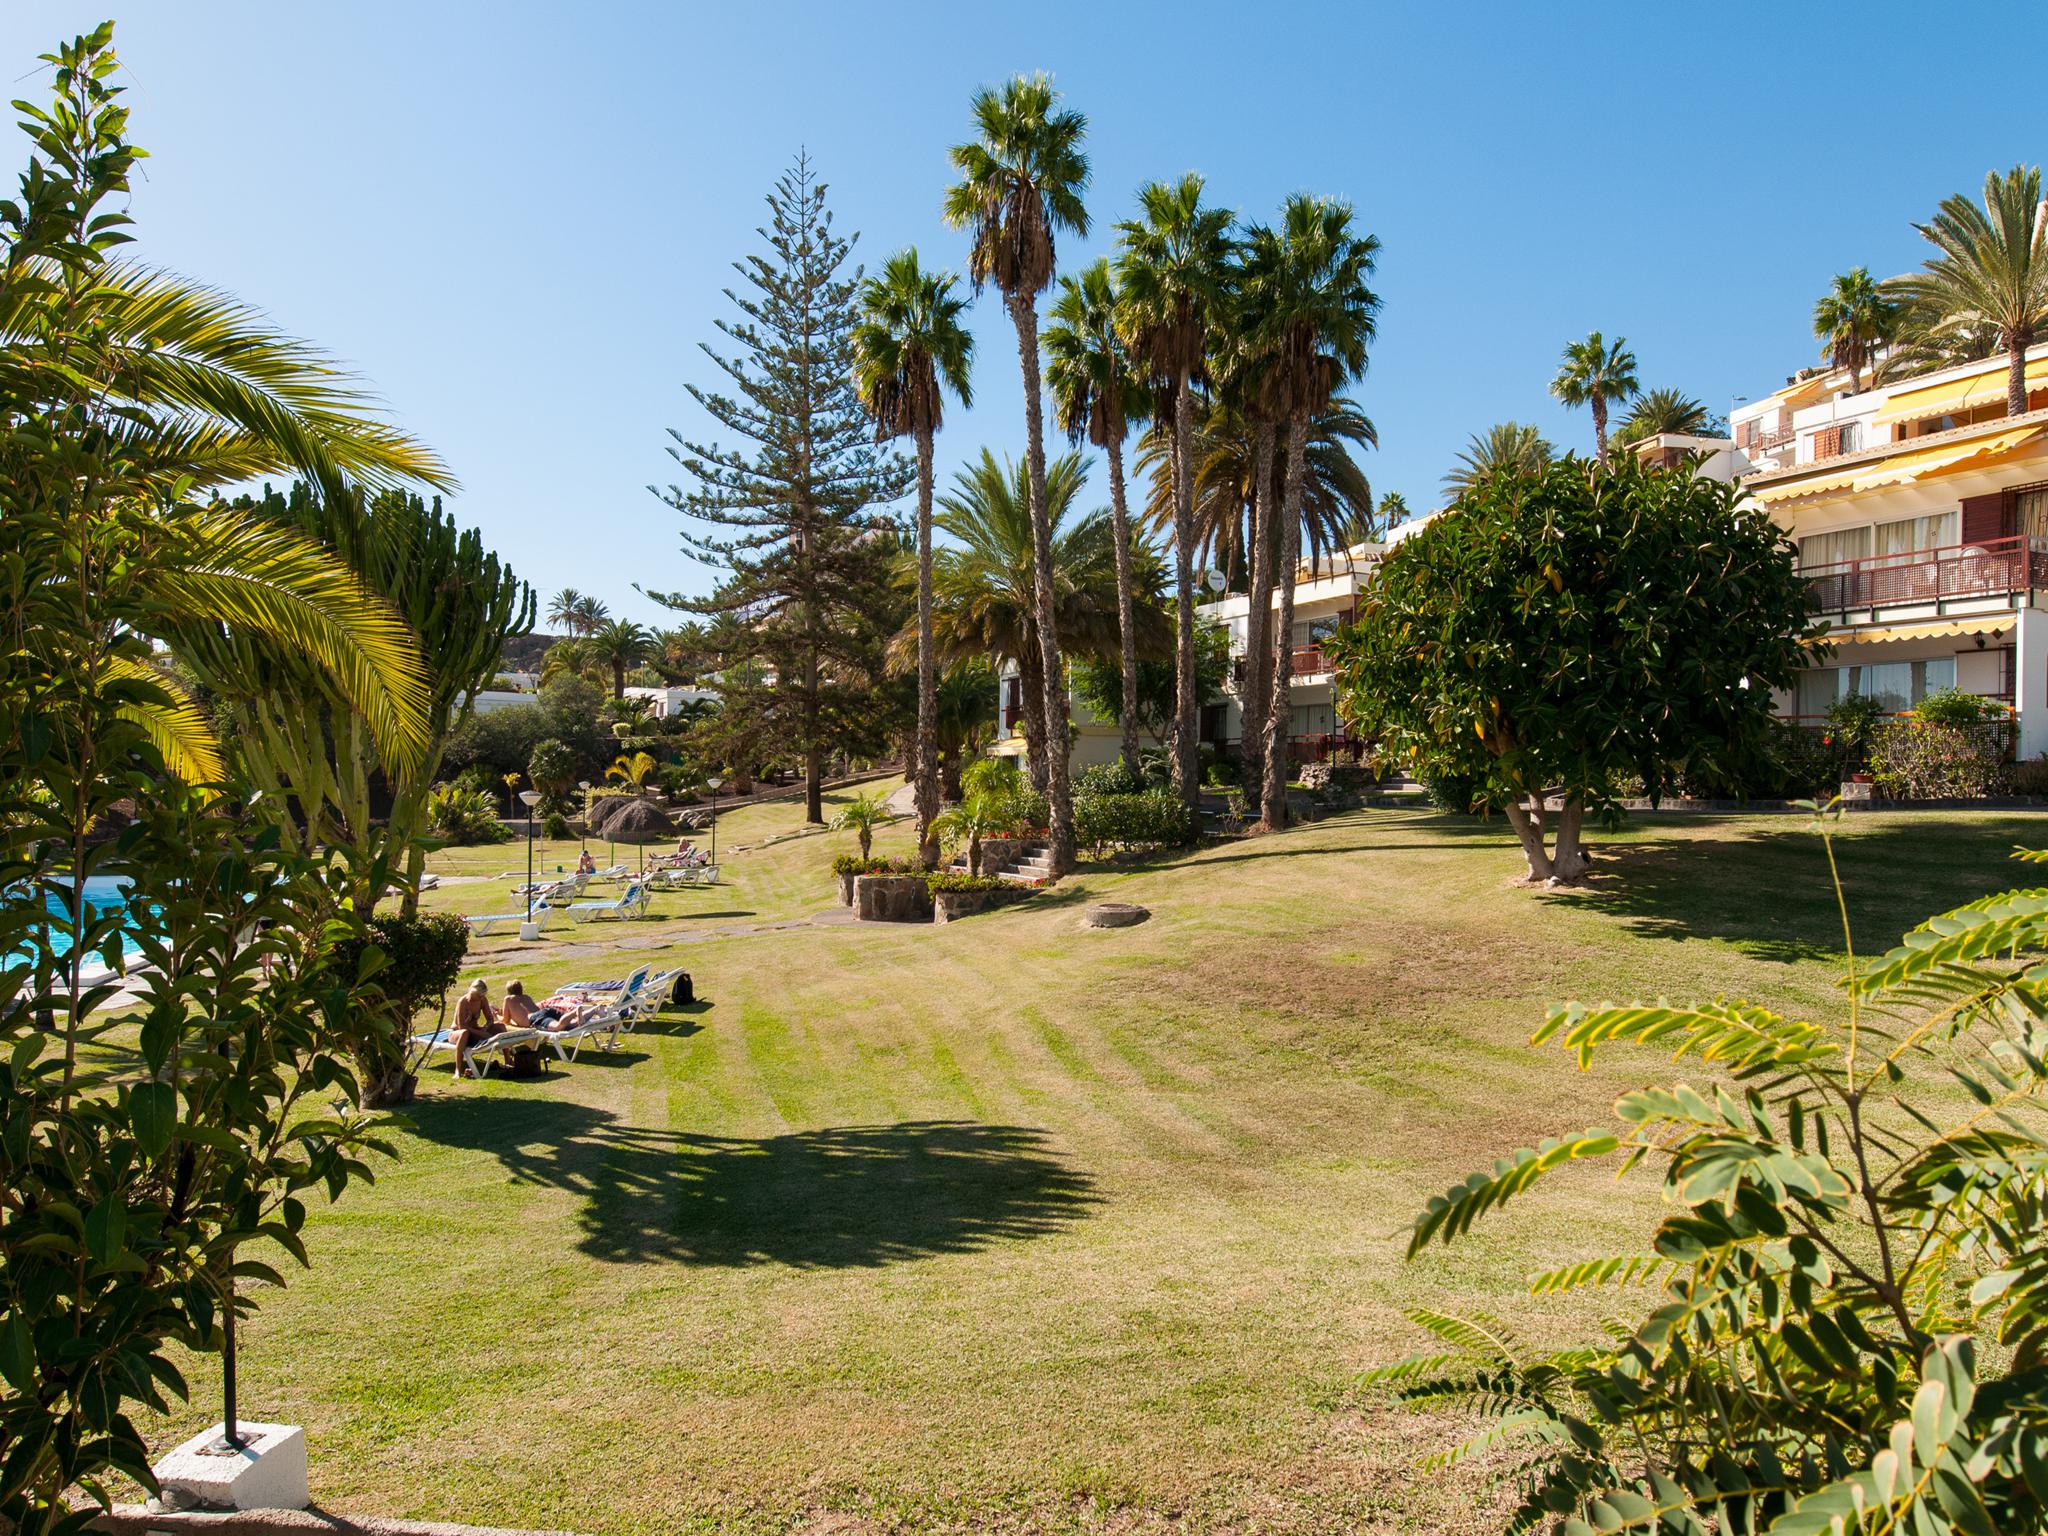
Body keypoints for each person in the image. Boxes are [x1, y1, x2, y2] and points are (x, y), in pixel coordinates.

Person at [447, 979, 502, 1078]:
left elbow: (490, 1019)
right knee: (464, 1033)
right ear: (473, 992)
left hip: (473, 1031)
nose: (481, 997)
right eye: (479, 995)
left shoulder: (482, 1000)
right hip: (458, 1033)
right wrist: (480, 1033)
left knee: (500, 1027)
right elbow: (461, 1026)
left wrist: (485, 1028)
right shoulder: (463, 1002)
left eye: (483, 995)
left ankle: (508, 1061)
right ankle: (457, 1070)